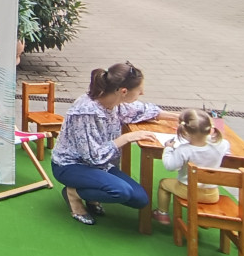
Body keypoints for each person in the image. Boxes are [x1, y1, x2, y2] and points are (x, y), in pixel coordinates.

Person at [50, 62, 178, 226]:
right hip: (71, 165)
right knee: (121, 191)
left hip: (101, 165)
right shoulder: (86, 111)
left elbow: (145, 110)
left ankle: (90, 194)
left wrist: (180, 117)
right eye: (139, 90)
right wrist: (126, 138)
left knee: (140, 199)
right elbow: (93, 157)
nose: (142, 93)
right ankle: (73, 194)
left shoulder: (116, 102)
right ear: (123, 91)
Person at [152, 108, 232, 226]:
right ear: (209, 128)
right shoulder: (222, 144)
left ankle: (162, 213)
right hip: (212, 194)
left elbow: (169, 166)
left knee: (164, 184)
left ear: (185, 131)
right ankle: (203, 221)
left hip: (187, 191)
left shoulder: (184, 150)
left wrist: (168, 148)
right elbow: (226, 149)